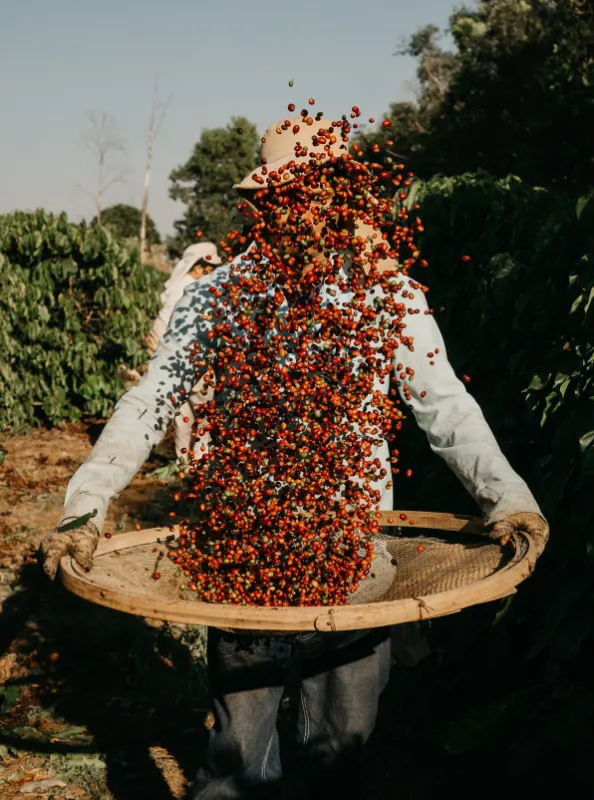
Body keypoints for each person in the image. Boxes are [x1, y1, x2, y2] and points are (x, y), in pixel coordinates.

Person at [37, 116, 549, 798]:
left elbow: (445, 407)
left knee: (340, 751)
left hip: (353, 551)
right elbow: (148, 405)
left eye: (317, 192)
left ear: (341, 195)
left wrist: (507, 499)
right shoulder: (220, 294)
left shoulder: (385, 292)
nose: (301, 210)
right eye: (284, 196)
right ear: (263, 204)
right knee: (236, 758)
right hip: (247, 550)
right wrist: (85, 509)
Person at [145, 242, 223, 464]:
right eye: (210, 269)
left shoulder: (177, 289)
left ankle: (183, 462)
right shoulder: (193, 292)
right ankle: (200, 459)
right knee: (206, 411)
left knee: (182, 412)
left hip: (172, 361)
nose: (212, 273)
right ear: (200, 267)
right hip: (189, 357)